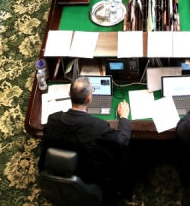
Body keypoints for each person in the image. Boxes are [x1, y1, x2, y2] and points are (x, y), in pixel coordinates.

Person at [39, 76, 131, 205]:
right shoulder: (98, 127)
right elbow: (122, 142)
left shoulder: (53, 119)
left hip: (61, 168)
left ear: (69, 94)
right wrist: (124, 118)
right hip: (89, 176)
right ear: (89, 99)